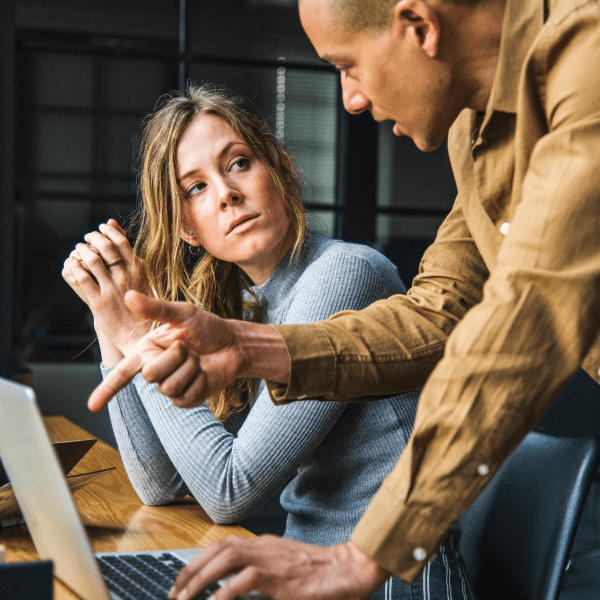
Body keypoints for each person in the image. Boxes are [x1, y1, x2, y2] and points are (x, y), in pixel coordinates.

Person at [88, 0, 600, 597]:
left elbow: (527, 317)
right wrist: (250, 345)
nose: (350, 98)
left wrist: (365, 555)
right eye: (196, 188)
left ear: (418, 27)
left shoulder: (585, 63)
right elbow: (438, 312)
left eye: (347, 64)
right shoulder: (476, 127)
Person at [63, 84, 476, 599]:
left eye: (238, 163)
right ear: (189, 229)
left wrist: (138, 336)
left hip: (390, 581)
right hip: (308, 576)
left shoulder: (344, 274)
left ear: (281, 168)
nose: (225, 194)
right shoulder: (249, 305)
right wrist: (110, 319)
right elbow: (160, 486)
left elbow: (227, 491)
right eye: (195, 189)